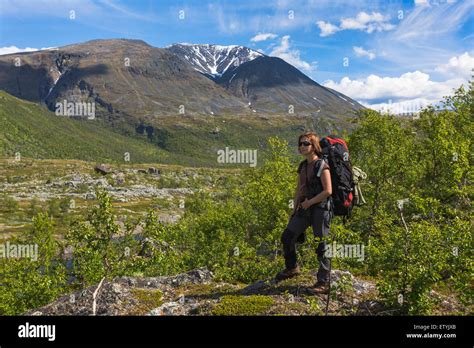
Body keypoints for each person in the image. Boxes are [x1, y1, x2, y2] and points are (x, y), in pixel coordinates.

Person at [275, 132, 333, 294]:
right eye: (300, 144)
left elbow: (328, 190)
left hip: (321, 209)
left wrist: (310, 202)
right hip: (304, 208)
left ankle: (324, 282)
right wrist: (295, 209)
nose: (302, 146)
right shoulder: (302, 166)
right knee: (287, 236)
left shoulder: (322, 165)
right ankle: (292, 268)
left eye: (306, 143)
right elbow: (299, 189)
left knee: (321, 244)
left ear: (314, 146)